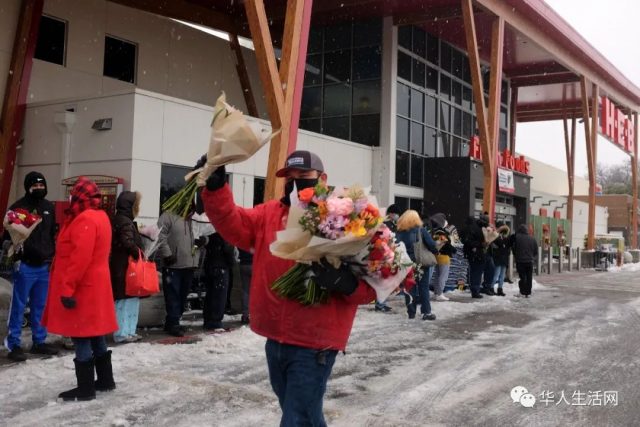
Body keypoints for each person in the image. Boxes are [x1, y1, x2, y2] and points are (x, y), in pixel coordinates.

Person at [201, 150, 376, 426]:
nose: (295, 184)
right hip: (276, 339)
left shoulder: (344, 221)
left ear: (323, 179)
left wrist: (345, 282)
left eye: (304, 177)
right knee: (303, 415)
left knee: (296, 419)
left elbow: (372, 286)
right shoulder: (269, 213)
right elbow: (233, 223)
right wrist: (216, 189)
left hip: (315, 342)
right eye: (290, 178)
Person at [42, 177, 117, 401]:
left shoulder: (84, 219)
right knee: (94, 332)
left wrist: (67, 288)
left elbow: (79, 259)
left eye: (73, 194)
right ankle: (105, 380)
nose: (70, 198)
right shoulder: (100, 216)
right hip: (96, 284)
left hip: (82, 286)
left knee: (80, 333)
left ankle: (85, 388)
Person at [4, 171, 58, 362]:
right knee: (18, 306)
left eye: (41, 185)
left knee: (40, 306)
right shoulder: (18, 207)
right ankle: (14, 344)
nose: (39, 188)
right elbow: (7, 235)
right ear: (28, 186)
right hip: (24, 265)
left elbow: (53, 233)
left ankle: (39, 341)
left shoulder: (49, 207)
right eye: (35, 185)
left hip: (44, 265)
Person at [156, 208, 204, 337]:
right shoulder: (168, 216)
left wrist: (204, 241)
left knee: (182, 295)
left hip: (189, 264)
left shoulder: (195, 218)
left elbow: (204, 232)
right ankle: (173, 322)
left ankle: (172, 320)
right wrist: (167, 254)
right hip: (173, 264)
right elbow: (160, 235)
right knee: (173, 295)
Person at [109, 191, 145, 343]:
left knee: (127, 299)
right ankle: (123, 332)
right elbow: (127, 241)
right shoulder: (125, 222)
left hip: (121, 266)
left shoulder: (119, 219)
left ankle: (127, 331)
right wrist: (138, 253)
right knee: (126, 300)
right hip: (125, 267)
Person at [396, 209, 437, 320]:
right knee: (423, 287)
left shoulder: (399, 232)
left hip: (405, 263)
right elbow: (432, 244)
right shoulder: (421, 230)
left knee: (409, 288)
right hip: (420, 263)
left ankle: (411, 312)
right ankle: (426, 312)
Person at [201, 231, 236, 331]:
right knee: (220, 295)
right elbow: (228, 249)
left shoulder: (209, 231)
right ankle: (215, 322)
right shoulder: (223, 231)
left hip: (210, 264)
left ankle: (208, 319)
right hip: (221, 266)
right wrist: (231, 262)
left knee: (210, 294)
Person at [374, 204, 402, 312]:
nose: (397, 216)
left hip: (388, 254)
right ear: (390, 213)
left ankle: (381, 303)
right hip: (383, 255)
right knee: (383, 280)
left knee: (385, 280)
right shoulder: (385, 224)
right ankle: (380, 304)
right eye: (395, 214)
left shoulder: (392, 224)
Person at [460, 216, 486, 299]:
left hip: (469, 253)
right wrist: (480, 244)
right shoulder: (477, 229)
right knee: (477, 272)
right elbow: (479, 241)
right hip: (478, 253)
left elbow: (464, 241)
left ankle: (472, 288)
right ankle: (475, 290)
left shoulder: (464, 229)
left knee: (471, 272)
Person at [512, 224, 538, 298]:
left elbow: (514, 248)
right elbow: (536, 251)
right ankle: (528, 293)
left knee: (522, 277)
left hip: (520, 261)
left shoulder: (517, 238)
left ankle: (522, 291)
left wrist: (516, 255)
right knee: (529, 277)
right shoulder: (532, 239)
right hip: (529, 261)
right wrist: (532, 258)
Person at [491, 222, 511, 297]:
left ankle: (499, 289)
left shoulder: (506, 239)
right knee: (497, 274)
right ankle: (492, 288)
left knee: (501, 275)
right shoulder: (496, 237)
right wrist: (499, 230)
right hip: (500, 258)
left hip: (502, 258)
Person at [237, 248, 253, 324]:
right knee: (257, 290)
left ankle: (245, 316)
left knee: (245, 291)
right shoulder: (257, 237)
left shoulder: (243, 237)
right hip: (255, 264)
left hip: (243, 264)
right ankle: (256, 315)